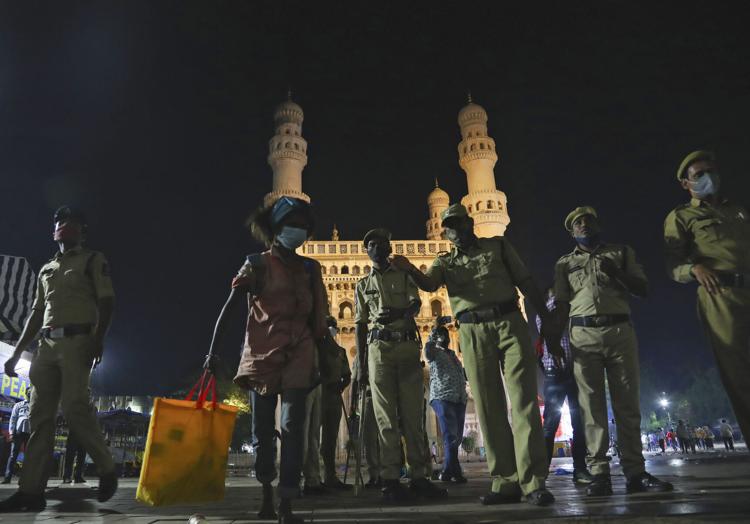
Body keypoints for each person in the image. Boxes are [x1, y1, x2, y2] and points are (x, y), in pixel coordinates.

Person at [392, 204, 556, 506]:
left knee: (523, 403)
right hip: (471, 330)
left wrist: (547, 319)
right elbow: (429, 285)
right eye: (449, 226)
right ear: (444, 231)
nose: (455, 230)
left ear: (470, 222)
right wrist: (410, 268)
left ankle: (533, 482)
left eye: (458, 223)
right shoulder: (444, 260)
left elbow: (526, 281)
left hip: (508, 323)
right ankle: (505, 481)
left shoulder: (498, 245)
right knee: (489, 406)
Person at [207, 196, 327, 524]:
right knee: (262, 430)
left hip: (299, 353)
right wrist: (212, 351)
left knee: (292, 427)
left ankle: (286, 501)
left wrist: (325, 359)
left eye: (304, 227)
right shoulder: (256, 264)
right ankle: (266, 492)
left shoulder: (310, 268)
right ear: (275, 229)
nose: (299, 232)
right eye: (293, 225)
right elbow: (231, 305)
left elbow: (319, 318)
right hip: (261, 355)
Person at [1, 206, 118, 512]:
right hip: (47, 346)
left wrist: (98, 339)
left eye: (71, 222)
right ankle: (30, 492)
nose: (64, 226)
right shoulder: (45, 269)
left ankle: (107, 467)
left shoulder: (93, 260)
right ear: (53, 232)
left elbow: (107, 301)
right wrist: (15, 354)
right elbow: (36, 314)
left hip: (78, 341)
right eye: (59, 222)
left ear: (83, 229)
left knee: (75, 404)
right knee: (40, 417)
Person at [551, 206, 672, 496]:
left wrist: (617, 273)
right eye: (577, 222)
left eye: (588, 220)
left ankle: (634, 471)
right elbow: (561, 304)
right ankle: (599, 473)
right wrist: (554, 338)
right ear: (571, 232)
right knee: (590, 408)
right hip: (582, 334)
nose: (583, 224)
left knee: (627, 404)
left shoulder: (621, 253)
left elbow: (642, 288)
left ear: (598, 224)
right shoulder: (564, 264)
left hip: (619, 331)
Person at [354, 228, 446, 502]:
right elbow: (360, 326)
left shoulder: (405, 275)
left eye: (382, 243)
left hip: (406, 347)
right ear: (366, 251)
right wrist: (360, 365)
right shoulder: (361, 286)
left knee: (412, 417)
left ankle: (420, 477)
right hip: (377, 351)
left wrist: (399, 312)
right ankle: (390, 479)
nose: (377, 247)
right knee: (385, 420)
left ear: (389, 247)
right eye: (371, 244)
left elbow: (416, 305)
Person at [664, 151, 750, 444]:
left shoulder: (737, 211)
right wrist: (694, 268)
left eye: (710, 171)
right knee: (741, 378)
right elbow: (672, 266)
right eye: (698, 174)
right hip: (722, 297)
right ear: (685, 184)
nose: (707, 177)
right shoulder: (682, 217)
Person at [535, 288, 593, 485]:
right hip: (557, 370)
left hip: (568, 370)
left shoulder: (568, 308)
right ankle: (576, 469)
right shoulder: (552, 309)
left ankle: (574, 468)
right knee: (556, 423)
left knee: (572, 422)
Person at [424, 324, 468, 484]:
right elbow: (427, 351)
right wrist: (434, 332)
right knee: (450, 434)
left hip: (459, 398)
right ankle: (451, 471)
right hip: (442, 397)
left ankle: (450, 471)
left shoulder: (452, 354)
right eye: (443, 336)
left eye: (447, 335)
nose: (447, 338)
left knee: (456, 436)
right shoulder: (434, 352)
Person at [320, 317, 352, 490]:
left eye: (333, 327)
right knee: (312, 437)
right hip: (318, 396)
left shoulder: (340, 351)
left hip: (333, 397)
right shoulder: (315, 350)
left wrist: (341, 385)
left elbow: (347, 375)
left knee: (330, 439)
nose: (331, 330)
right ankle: (312, 477)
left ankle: (330, 476)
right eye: (329, 326)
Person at [350, 357, 381, 487]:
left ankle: (387, 474)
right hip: (368, 397)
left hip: (383, 397)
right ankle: (374, 474)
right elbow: (354, 381)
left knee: (385, 437)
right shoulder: (360, 357)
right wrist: (352, 404)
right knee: (370, 439)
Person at [3, 398, 30, 484]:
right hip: (18, 433)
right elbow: (13, 419)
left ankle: (24, 479)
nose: (30, 393)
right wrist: (11, 433)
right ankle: (7, 477)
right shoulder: (19, 405)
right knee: (13, 455)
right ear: (26, 393)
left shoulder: (35, 405)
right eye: (29, 392)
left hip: (29, 433)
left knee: (28, 457)